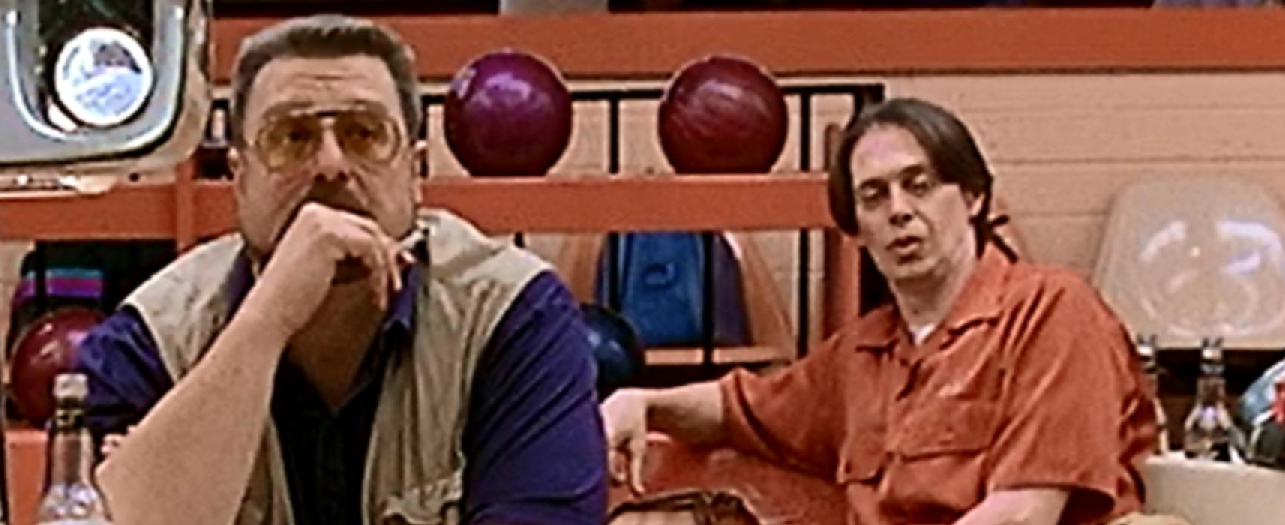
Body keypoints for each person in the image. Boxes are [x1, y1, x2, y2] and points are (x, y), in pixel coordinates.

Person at [77, 15, 608, 525]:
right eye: (291, 137)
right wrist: (267, 319)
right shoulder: (151, 340)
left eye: (364, 134)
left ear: (415, 171)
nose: (330, 165)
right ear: (239, 178)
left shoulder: (516, 317)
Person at [601, 98, 1159, 525]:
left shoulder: (1052, 311)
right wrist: (642, 402)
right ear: (858, 230)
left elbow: (1022, 515)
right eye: (873, 197)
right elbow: (741, 409)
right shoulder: (861, 353)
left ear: (973, 198)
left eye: (919, 186)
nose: (899, 211)